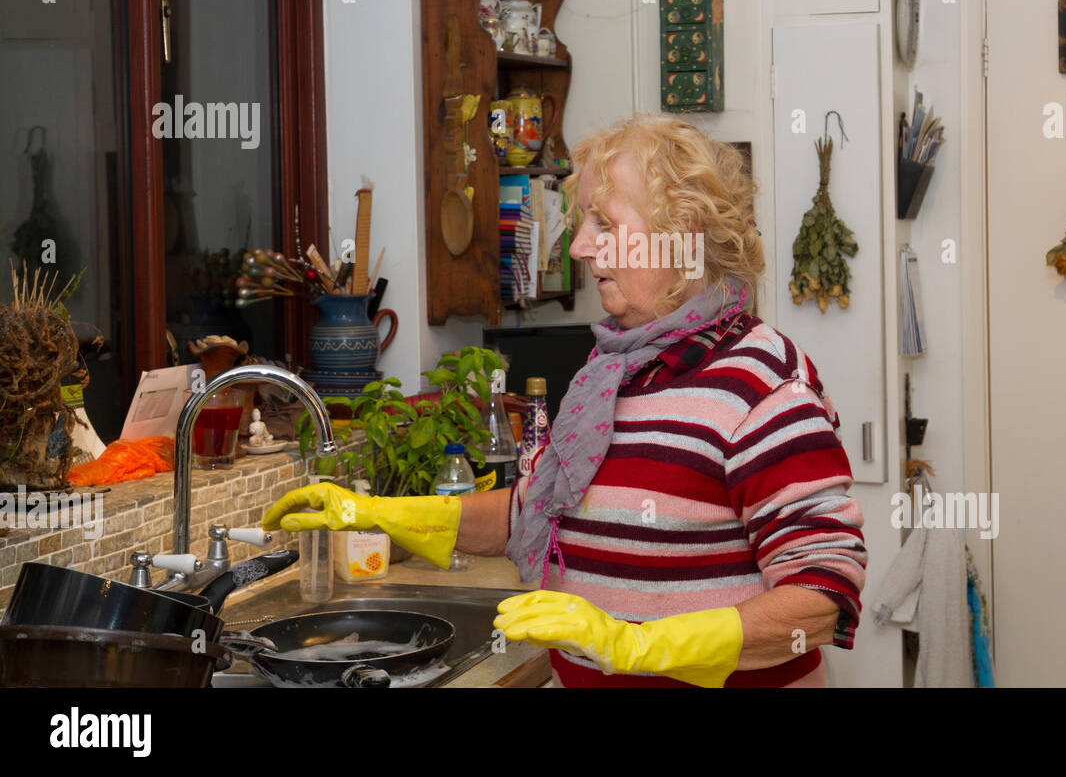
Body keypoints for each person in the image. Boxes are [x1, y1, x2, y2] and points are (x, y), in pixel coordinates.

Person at [262, 114, 867, 687]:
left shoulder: (762, 385)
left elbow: (820, 597)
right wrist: (380, 517)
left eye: (604, 223)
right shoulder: (612, 375)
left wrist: (637, 646)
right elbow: (530, 511)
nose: (579, 247)